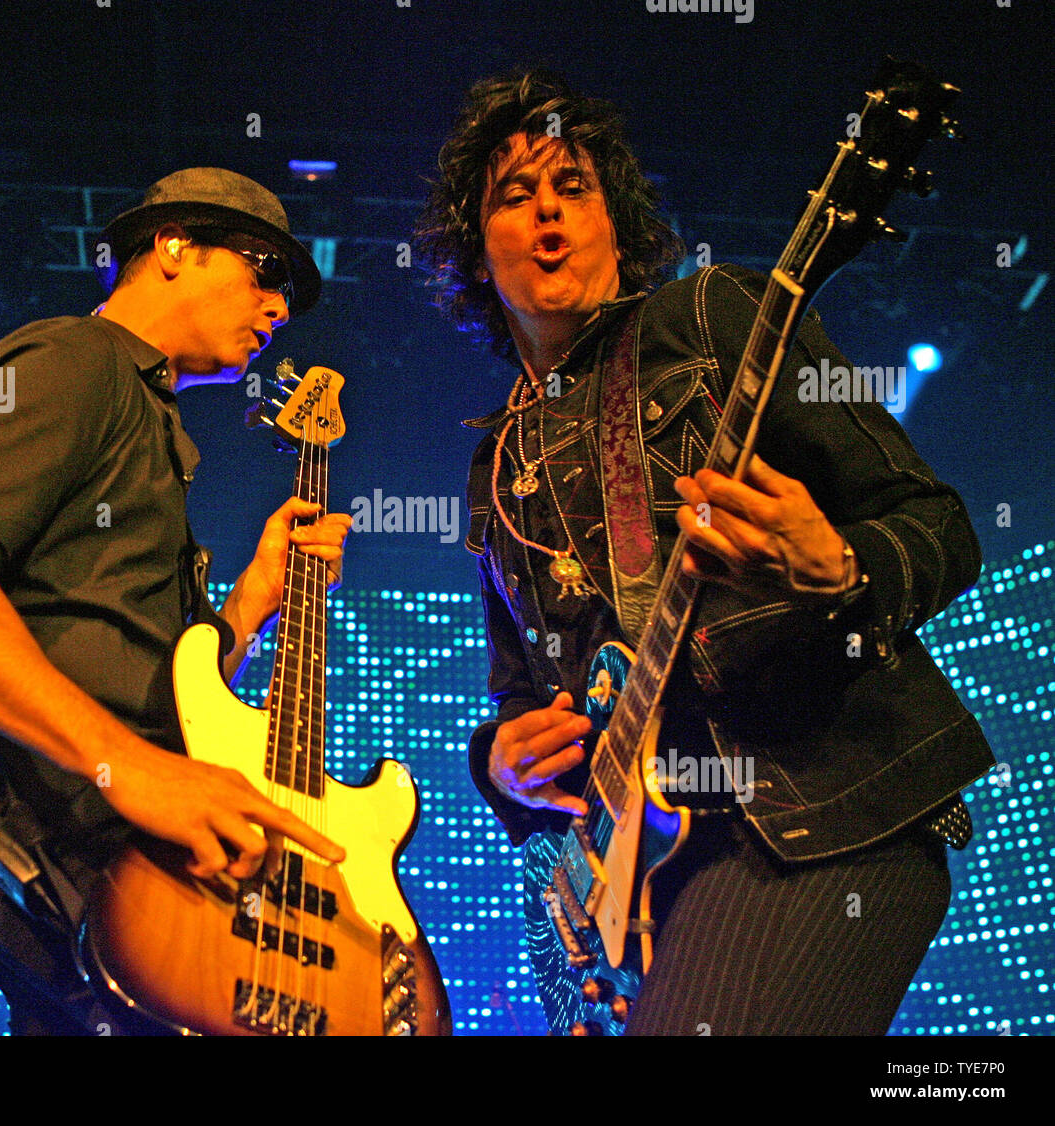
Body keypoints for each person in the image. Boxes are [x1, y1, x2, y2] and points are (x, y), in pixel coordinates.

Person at [416, 72, 995, 1035]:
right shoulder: (498, 460)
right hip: (648, 877)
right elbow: (524, 688)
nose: (547, 210)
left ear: (619, 226)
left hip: (816, 818)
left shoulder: (714, 320)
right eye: (514, 197)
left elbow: (936, 524)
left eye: (574, 187)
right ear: (479, 254)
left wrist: (843, 571)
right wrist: (502, 765)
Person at [0, 168, 352, 1034]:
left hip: (122, 865)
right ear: (171, 247)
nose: (281, 307)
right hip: (58, 854)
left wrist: (250, 601)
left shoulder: (153, 424)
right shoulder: (73, 359)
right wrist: (128, 769)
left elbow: (160, 685)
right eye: (265, 270)